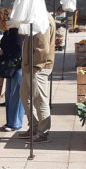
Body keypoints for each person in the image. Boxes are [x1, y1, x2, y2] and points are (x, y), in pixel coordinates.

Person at [17, 13, 56, 143]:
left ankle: (43, 132)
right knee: (24, 96)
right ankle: (34, 126)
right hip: (30, 67)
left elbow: (42, 47)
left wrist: (35, 67)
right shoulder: (36, 17)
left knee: (39, 100)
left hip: (38, 68)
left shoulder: (41, 19)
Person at [0, 8, 25, 132]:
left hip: (17, 67)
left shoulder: (16, 31)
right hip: (12, 67)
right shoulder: (9, 31)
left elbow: (18, 48)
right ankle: (10, 122)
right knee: (10, 95)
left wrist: (3, 51)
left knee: (16, 95)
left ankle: (15, 123)